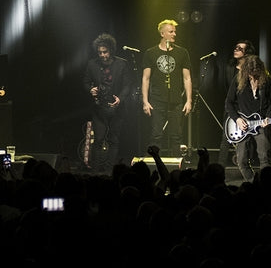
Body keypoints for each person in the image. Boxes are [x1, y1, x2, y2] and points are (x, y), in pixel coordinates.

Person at [140, 19, 193, 156]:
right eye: (171, 31)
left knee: (176, 136)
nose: (174, 34)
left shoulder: (182, 53)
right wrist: (145, 101)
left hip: (176, 100)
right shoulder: (151, 53)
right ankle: (154, 166)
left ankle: (176, 169)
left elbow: (187, 78)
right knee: (156, 135)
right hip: (157, 100)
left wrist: (189, 100)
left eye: (175, 31)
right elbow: (146, 78)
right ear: (162, 33)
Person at [82, 32, 133, 172]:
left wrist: (120, 98)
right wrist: (90, 89)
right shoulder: (92, 64)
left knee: (114, 140)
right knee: (98, 139)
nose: (102, 55)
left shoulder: (122, 64)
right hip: (99, 108)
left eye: (105, 52)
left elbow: (128, 85)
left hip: (117, 108)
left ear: (111, 50)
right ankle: (95, 171)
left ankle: (109, 171)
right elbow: (85, 82)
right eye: (100, 52)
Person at [224, 54, 271, 183]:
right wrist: (237, 119)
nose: (253, 77)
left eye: (257, 74)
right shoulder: (238, 80)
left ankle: (266, 184)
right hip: (243, 125)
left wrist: (268, 117)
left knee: (264, 157)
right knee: (241, 160)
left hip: (260, 124)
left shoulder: (268, 82)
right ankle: (253, 183)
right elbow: (228, 103)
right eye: (251, 74)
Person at [217, 39, 256, 167]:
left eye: (240, 48)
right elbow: (226, 87)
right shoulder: (229, 67)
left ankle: (246, 166)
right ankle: (220, 168)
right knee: (225, 138)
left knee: (248, 138)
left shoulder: (252, 69)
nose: (236, 50)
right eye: (236, 47)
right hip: (231, 107)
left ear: (246, 53)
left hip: (247, 108)